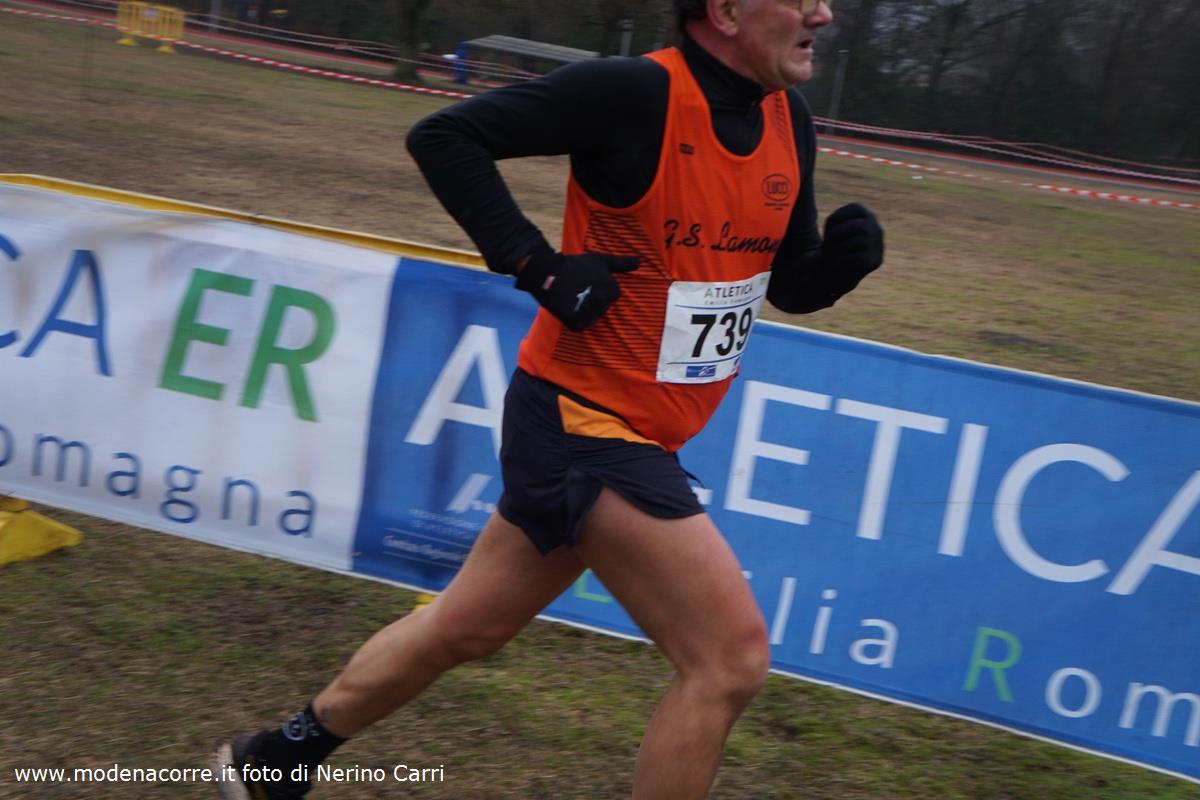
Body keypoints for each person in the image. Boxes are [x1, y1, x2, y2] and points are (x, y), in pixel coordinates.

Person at [213, 0, 883, 797]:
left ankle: (275, 759)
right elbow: (446, 137)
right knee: (727, 661)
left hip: (634, 431)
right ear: (727, 11)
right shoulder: (635, 93)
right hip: (582, 423)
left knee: (466, 627)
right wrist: (538, 266)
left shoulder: (786, 118)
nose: (824, 13)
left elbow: (788, 282)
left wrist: (836, 269)